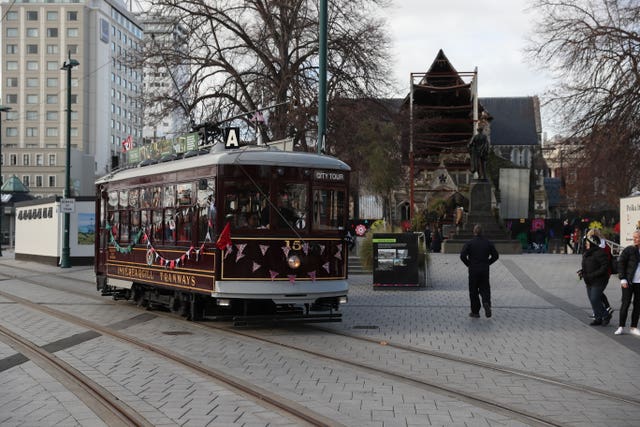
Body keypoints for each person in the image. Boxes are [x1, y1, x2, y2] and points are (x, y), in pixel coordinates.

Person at [460, 224, 499, 318]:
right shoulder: (488, 243)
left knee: (473, 290)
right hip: (484, 269)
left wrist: (468, 264)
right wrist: (488, 263)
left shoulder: (469, 243)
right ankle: (486, 303)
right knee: (485, 288)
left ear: (474, 232)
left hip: (473, 269)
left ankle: (475, 311)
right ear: (483, 232)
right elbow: (496, 256)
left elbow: (462, 256)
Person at [579, 234, 611, 326]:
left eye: (587, 243)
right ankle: (598, 318)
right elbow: (587, 266)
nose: (585, 244)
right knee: (592, 300)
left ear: (592, 243)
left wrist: (593, 275)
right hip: (589, 280)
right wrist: (582, 272)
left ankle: (606, 315)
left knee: (594, 298)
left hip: (599, 280)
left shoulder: (600, 252)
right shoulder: (586, 253)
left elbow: (605, 267)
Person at [614, 230, 640, 335]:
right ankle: (621, 326)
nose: (634, 239)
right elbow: (621, 264)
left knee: (638, 305)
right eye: (633, 237)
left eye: (637, 237)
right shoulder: (629, 250)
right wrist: (622, 278)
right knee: (625, 304)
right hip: (628, 282)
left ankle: (633, 327)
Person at [586, 228, 613, 319]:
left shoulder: (599, 247)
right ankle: (602, 311)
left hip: (599, 274)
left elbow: (602, 263)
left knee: (595, 295)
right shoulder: (605, 245)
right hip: (601, 273)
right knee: (597, 294)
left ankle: (604, 312)